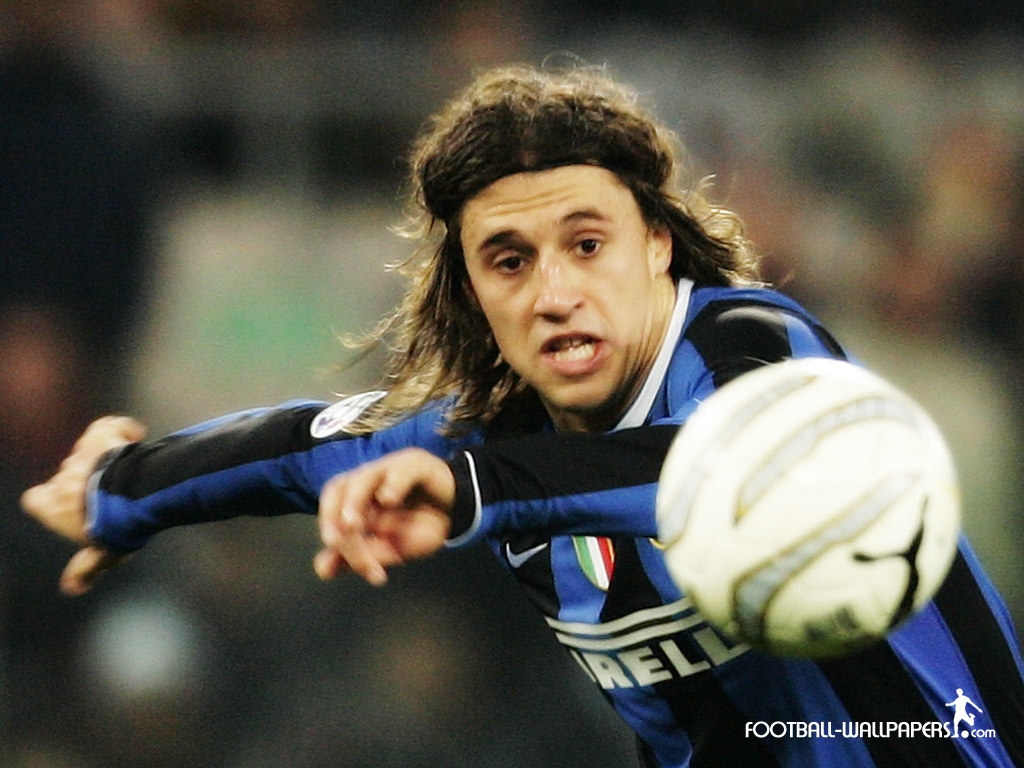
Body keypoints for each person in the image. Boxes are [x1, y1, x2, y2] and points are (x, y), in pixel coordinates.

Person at [22, 64, 1024, 768]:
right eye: (509, 260)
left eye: (587, 244)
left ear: (658, 243)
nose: (553, 294)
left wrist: (475, 492)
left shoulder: (752, 347)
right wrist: (120, 490)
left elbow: (721, 466)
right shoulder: (486, 436)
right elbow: (297, 449)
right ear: (470, 289)